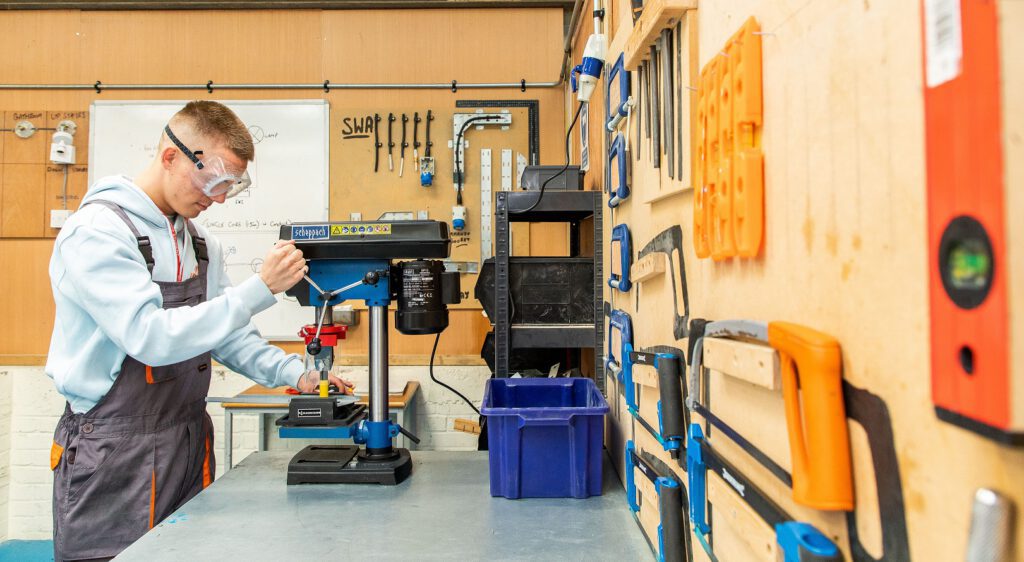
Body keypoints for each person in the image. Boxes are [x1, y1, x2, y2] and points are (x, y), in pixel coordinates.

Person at [45, 100, 351, 561]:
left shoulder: (200, 243)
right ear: (172, 156)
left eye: (233, 184)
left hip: (185, 436)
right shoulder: (98, 232)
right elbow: (149, 337)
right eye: (215, 180)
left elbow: (226, 335)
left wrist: (297, 374)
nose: (222, 197)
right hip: (111, 449)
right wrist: (260, 288)